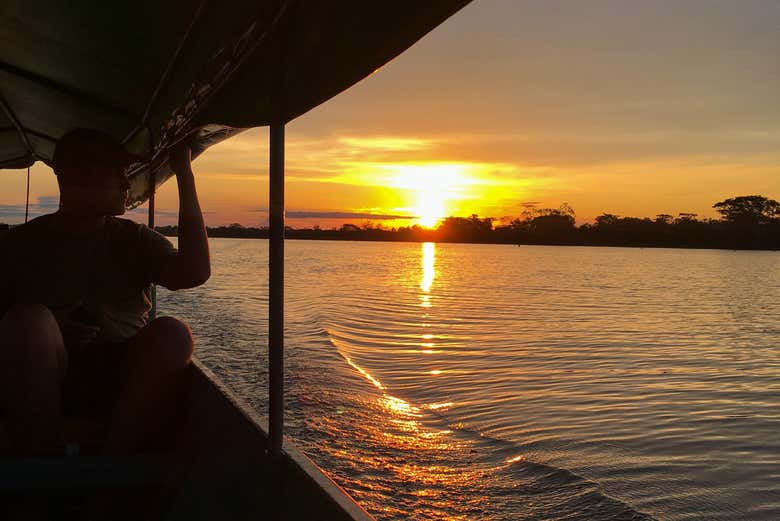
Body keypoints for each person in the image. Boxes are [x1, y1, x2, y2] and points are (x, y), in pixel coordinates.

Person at [0, 128, 210, 458]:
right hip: (42, 377)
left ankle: (112, 469)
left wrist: (184, 173)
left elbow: (194, 272)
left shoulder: (136, 239)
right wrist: (52, 323)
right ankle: (41, 468)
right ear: (75, 177)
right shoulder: (18, 245)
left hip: (123, 379)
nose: (127, 185)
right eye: (117, 175)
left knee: (173, 333)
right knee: (30, 322)